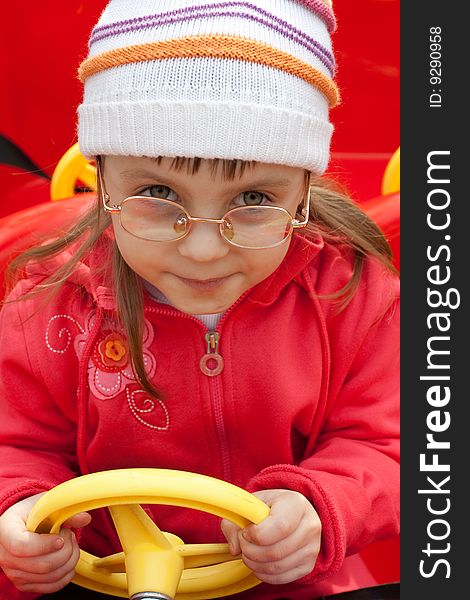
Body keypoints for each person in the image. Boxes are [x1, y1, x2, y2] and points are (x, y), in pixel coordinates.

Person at [0, 1, 399, 599]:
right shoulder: (53, 304)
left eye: (255, 198)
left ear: (305, 189)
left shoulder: (351, 294)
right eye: (158, 192)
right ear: (101, 177)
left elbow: (394, 442)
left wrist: (320, 504)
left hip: (290, 582)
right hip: (100, 579)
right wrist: (20, 511)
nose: (206, 249)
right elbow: (15, 442)